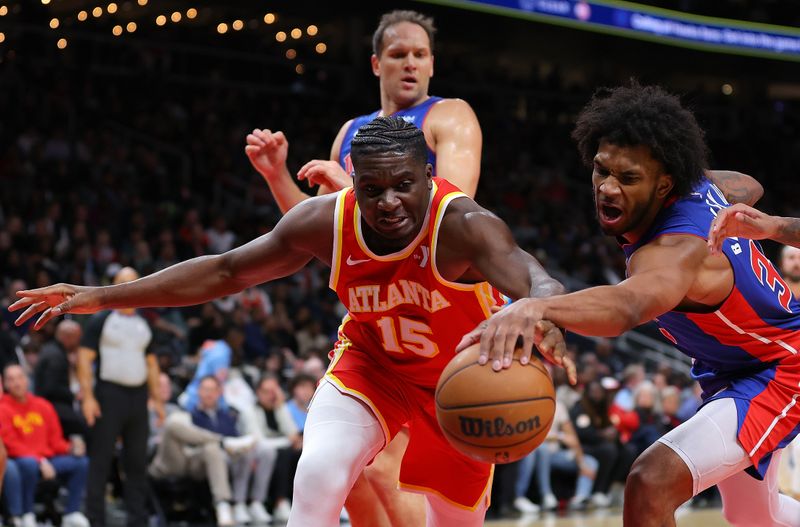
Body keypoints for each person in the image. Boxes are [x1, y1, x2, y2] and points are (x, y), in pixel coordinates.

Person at [10, 116, 571, 527]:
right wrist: (103, 295)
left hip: (461, 381)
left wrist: (538, 306)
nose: (389, 202)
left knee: (453, 522)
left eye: (404, 184)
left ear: (428, 175)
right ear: (355, 182)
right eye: (372, 189)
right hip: (372, 367)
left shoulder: (466, 224)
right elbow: (226, 270)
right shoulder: (326, 220)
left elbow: (533, 275)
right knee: (320, 471)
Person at [460, 83, 800, 526]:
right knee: (755, 516)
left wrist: (536, 307)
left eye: (628, 178)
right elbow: (749, 185)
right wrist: (764, 221)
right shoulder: (699, 185)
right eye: (602, 170)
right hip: (738, 369)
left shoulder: (676, 248)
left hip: (779, 370)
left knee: (650, 483)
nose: (608, 188)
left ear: (665, 185)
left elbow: (627, 306)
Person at [245, 11, 484, 524]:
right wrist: (277, 176)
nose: (410, 64)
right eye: (399, 54)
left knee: (393, 478)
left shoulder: (450, 116)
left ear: (433, 65)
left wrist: (350, 188)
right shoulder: (351, 134)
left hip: (448, 318)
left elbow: (453, 211)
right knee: (352, 476)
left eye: (420, 55)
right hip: (381, 323)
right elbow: (317, 235)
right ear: (377, 63)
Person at [76, 266, 163, 527]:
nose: (128, 286)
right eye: (122, 282)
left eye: (133, 282)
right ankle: (95, 520)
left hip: (138, 398)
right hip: (108, 394)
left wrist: (158, 400)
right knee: (101, 459)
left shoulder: (144, 323)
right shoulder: (101, 319)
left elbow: (151, 364)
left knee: (136, 462)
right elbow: (83, 359)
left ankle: (137, 520)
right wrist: (88, 397)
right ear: (114, 286)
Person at [0, 364, 90, 527]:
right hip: (22, 460)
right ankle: (27, 514)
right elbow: (9, 445)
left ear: (27, 380)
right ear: (5, 385)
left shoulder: (43, 405)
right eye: (11, 379)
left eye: (20, 377)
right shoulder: (3, 408)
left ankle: (72, 512)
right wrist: (40, 460)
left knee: (81, 462)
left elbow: (55, 440)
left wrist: (70, 447)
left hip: (47, 459)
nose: (17, 383)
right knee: (29, 464)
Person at [238, 374, 302, 523]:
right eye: (266, 391)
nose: (271, 395)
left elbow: (292, 432)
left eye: (274, 391)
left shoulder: (279, 409)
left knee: (298, 453)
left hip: (277, 454)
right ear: (258, 392)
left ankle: (290, 501)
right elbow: (259, 442)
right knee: (283, 452)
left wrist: (280, 406)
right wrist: (288, 440)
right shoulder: (249, 411)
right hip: (255, 454)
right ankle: (274, 502)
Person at [34, 319, 87, 441]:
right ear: (67, 337)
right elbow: (50, 388)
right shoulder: (55, 357)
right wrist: (74, 395)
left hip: (53, 404)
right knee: (87, 426)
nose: (79, 342)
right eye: (77, 338)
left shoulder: (53, 350)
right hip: (51, 407)